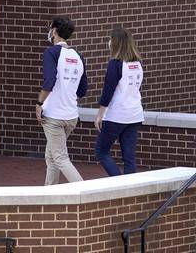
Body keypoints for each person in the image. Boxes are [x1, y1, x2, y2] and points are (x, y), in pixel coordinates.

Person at [35, 16, 88, 185]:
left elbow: (49, 81)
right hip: (71, 116)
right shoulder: (78, 56)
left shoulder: (51, 53)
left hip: (54, 116)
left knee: (60, 158)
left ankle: (85, 191)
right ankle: (49, 194)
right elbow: (82, 90)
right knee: (51, 157)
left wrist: (39, 104)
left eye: (50, 28)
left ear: (55, 31)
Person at [94, 27, 144, 176]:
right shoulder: (138, 63)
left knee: (101, 151)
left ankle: (118, 181)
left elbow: (108, 92)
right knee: (129, 158)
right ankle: (131, 186)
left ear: (115, 43)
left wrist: (100, 115)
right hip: (135, 114)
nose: (109, 42)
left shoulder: (115, 64)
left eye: (110, 39)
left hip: (117, 115)